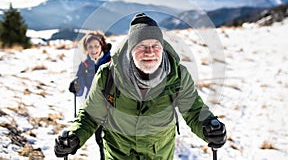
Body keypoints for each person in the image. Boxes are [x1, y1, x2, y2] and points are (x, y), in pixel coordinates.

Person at [55, 13, 226, 159]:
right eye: (142, 46)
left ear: (162, 47)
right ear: (130, 50)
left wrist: (209, 127)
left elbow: (194, 111)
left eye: (155, 46)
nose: (149, 52)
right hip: (118, 155)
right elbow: (91, 115)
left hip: (159, 155)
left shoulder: (177, 76)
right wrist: (75, 136)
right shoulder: (108, 75)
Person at [68, 31, 112, 157]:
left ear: (102, 46)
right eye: (90, 47)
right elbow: (80, 87)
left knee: (110, 140)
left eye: (96, 46)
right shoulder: (84, 65)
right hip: (94, 106)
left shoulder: (111, 61)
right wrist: (76, 86)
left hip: (111, 106)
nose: (94, 50)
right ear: (86, 49)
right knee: (99, 139)